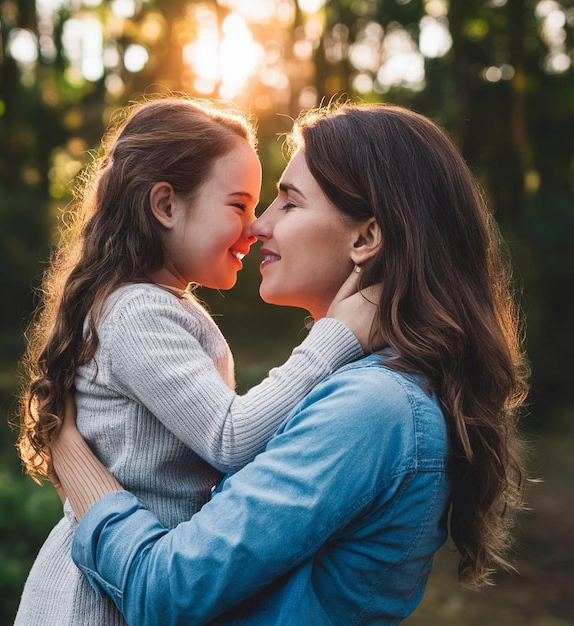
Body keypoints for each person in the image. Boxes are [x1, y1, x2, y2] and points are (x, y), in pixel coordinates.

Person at [49, 102, 530, 625]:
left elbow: (167, 588)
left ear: (366, 238)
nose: (257, 226)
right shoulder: (363, 391)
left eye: (288, 204)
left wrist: (70, 453)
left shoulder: (374, 407)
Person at [13, 96, 377, 625]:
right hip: (96, 598)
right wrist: (335, 337)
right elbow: (229, 438)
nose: (254, 228)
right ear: (165, 205)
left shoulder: (162, 306)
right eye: (238, 205)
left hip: (130, 570)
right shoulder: (138, 312)